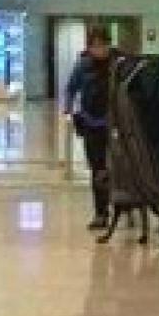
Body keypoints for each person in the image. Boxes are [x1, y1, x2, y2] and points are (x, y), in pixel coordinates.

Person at [64, 25, 118, 229]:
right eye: (94, 45)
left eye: (102, 45)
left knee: (116, 168)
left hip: (114, 126)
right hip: (91, 123)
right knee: (97, 169)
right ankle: (101, 213)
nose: (99, 49)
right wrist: (68, 109)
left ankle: (124, 205)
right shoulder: (83, 65)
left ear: (108, 44)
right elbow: (71, 88)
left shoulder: (117, 64)